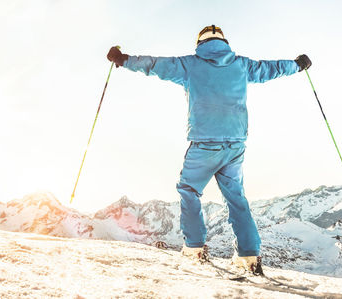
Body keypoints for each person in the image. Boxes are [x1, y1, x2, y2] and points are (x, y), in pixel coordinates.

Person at [107, 25, 311, 275]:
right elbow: (271, 69)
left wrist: (123, 59)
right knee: (236, 197)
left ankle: (194, 248)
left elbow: (154, 65)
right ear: (224, 42)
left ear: (200, 43)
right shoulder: (240, 65)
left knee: (189, 189)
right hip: (235, 143)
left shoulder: (189, 65)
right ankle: (248, 255)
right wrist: (298, 64)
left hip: (204, 143)